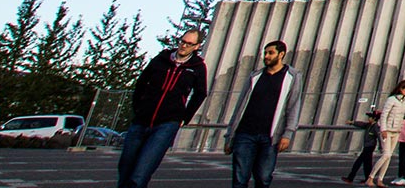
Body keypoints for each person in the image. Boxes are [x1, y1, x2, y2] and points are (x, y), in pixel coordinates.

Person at [119, 29, 208, 187]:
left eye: (189, 44)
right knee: (126, 167)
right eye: (182, 41)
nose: (183, 46)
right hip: (142, 120)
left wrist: (184, 117)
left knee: (141, 172)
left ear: (196, 46)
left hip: (166, 124)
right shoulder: (161, 59)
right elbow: (141, 83)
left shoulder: (198, 67)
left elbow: (200, 94)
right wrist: (138, 108)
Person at [222, 39, 303, 188]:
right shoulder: (255, 76)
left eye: (270, 53)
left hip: (270, 136)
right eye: (265, 53)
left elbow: (293, 106)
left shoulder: (291, 77)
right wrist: (229, 135)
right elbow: (240, 106)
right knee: (240, 178)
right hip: (245, 133)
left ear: (281, 54)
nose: (266, 56)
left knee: (263, 177)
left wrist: (288, 133)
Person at [371, 80, 405, 186]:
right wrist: (383, 129)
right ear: (401, 88)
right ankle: (371, 177)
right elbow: (384, 114)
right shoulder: (391, 99)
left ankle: (380, 179)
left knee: (389, 156)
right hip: (388, 130)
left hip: (396, 130)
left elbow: (401, 116)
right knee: (386, 154)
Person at [344, 110, 378, 184]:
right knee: (367, 163)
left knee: (359, 162)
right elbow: (361, 124)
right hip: (367, 146)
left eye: (370, 117)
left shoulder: (375, 127)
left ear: (374, 118)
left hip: (370, 147)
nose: (368, 119)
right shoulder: (368, 125)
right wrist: (352, 122)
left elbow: (379, 136)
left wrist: (381, 147)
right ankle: (367, 179)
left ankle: (351, 178)